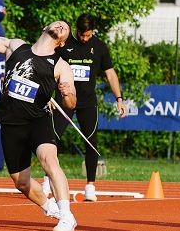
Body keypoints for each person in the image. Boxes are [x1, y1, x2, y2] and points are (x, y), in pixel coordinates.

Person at [0, 21, 77, 231]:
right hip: (11, 122)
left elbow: (71, 103)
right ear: (45, 28)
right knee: (21, 182)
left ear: (62, 42)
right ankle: (49, 206)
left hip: (37, 120)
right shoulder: (17, 46)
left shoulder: (60, 66)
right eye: (59, 23)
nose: (61, 25)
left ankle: (67, 216)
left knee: (48, 159)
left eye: (65, 29)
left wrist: (67, 93)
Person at [42, 14, 126, 202]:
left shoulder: (100, 47)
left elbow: (110, 74)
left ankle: (90, 186)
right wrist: (47, 94)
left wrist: (119, 98)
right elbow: (49, 69)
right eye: (82, 35)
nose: (85, 39)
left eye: (88, 36)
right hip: (64, 101)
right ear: (76, 30)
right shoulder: (64, 45)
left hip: (88, 103)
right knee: (51, 139)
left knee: (91, 143)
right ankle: (47, 181)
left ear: (93, 32)